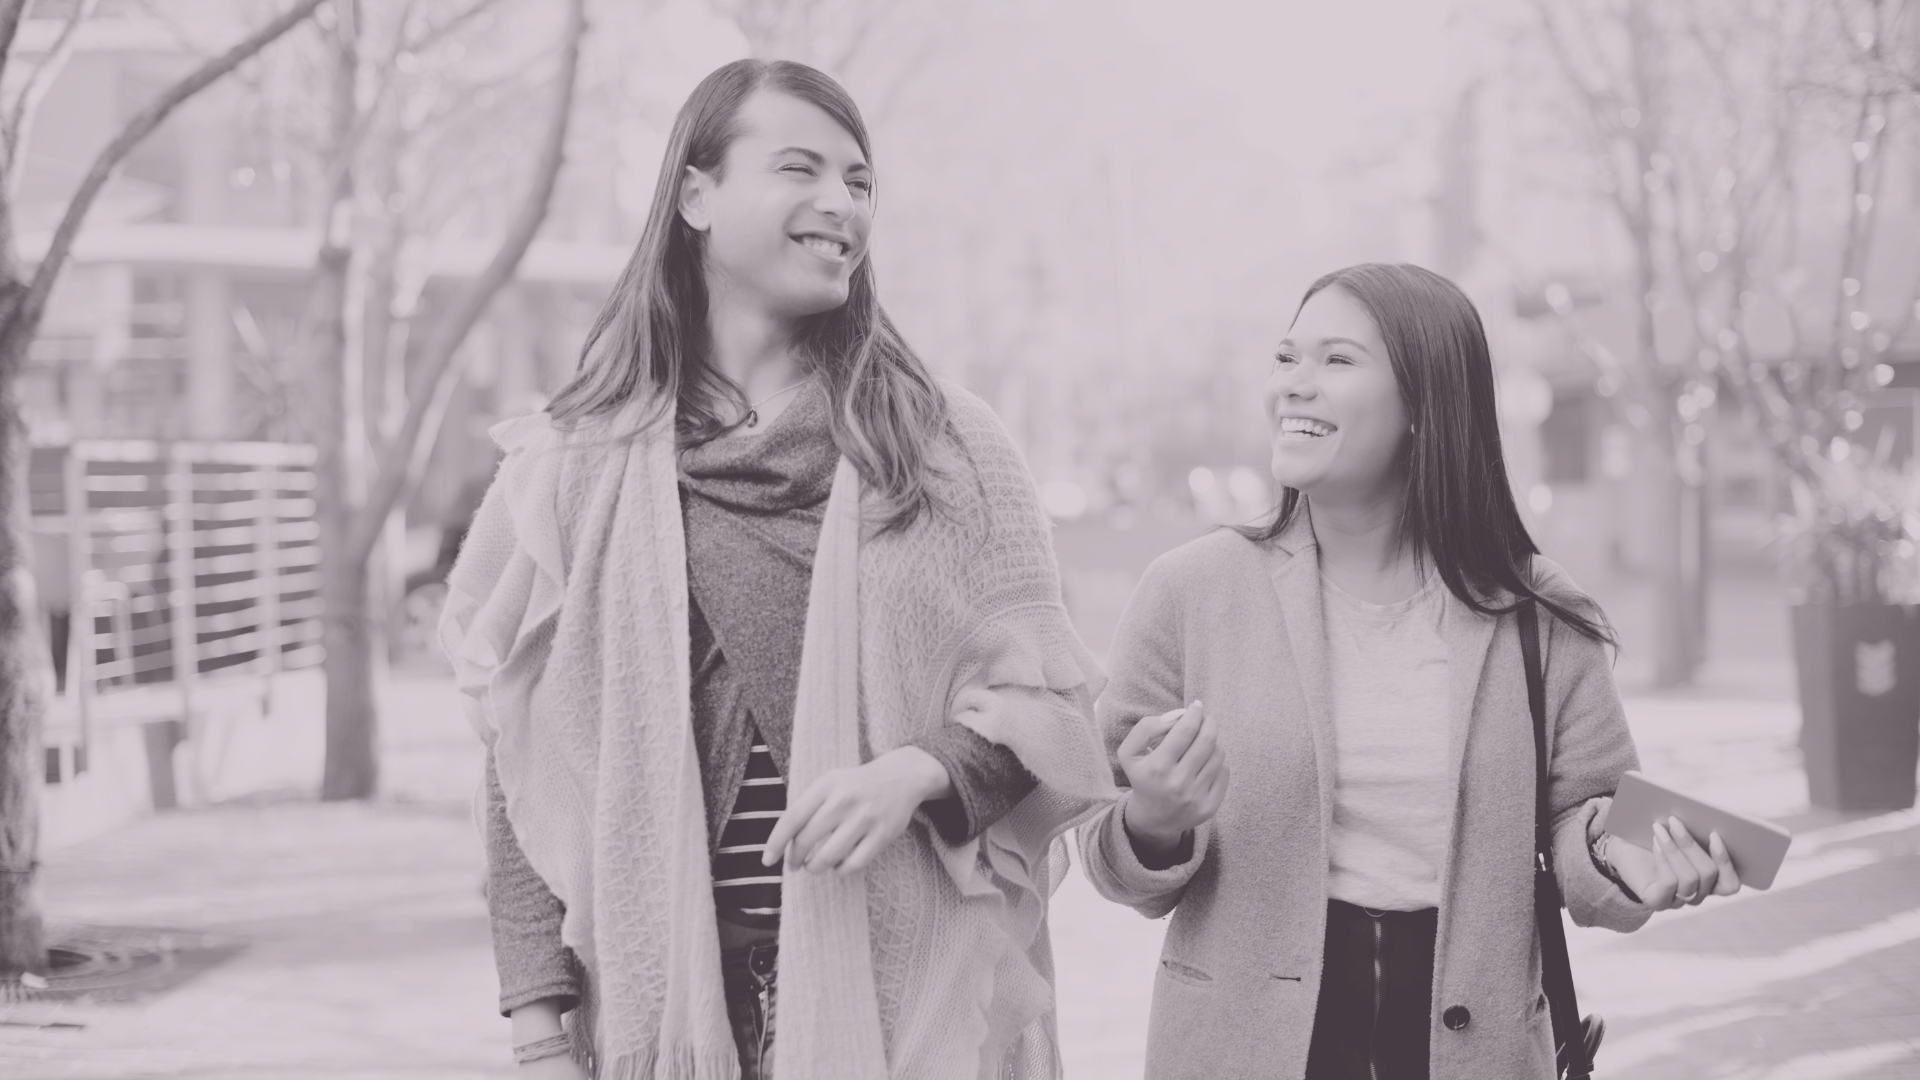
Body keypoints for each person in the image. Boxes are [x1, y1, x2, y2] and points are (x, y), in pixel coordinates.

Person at [441, 59, 1116, 1080]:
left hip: (904, 1014)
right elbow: (518, 748)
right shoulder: (572, 468)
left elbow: (1054, 710)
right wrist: (539, 1034)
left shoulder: (939, 446)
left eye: (858, 180)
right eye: (800, 167)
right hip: (661, 1017)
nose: (839, 203)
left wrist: (920, 770)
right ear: (695, 194)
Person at [1076, 263, 1747, 1079]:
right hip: (1243, 1044)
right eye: (1287, 358)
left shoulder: (1535, 609)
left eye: (1338, 361)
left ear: (1425, 407)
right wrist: (1155, 816)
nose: (1295, 386)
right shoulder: (1192, 591)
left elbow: (1585, 822)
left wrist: (1621, 856)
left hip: (1474, 1044)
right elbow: (1108, 854)